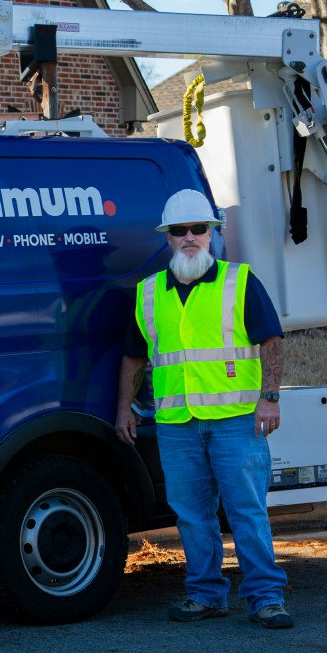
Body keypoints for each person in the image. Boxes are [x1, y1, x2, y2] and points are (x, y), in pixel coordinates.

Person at [115, 189, 294, 629]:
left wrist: (270, 398)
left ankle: (266, 599)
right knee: (193, 516)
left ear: (213, 233)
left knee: (246, 512)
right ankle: (206, 595)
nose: (190, 237)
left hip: (236, 421)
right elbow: (135, 357)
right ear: (168, 238)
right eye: (180, 231)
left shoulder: (240, 280)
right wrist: (124, 408)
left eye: (199, 229)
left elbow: (271, 340)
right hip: (178, 424)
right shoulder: (149, 293)